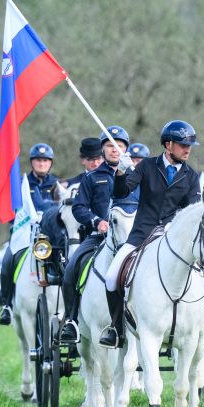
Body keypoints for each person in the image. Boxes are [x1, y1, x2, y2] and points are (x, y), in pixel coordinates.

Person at [98, 120, 204, 349]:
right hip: (141, 234)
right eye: (183, 145)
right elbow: (121, 192)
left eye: (189, 146)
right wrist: (120, 172)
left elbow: (192, 210)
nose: (188, 150)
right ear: (168, 145)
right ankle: (116, 328)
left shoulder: (191, 176)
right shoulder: (146, 166)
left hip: (172, 237)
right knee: (112, 277)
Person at [59, 127, 134, 344]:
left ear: (126, 149)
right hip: (98, 237)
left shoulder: (136, 176)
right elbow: (79, 207)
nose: (115, 149)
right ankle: (71, 320)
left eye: (119, 146)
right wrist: (96, 221)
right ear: (103, 150)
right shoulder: (92, 178)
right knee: (72, 267)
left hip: (131, 238)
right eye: (110, 145)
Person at [0, 143, 61, 326]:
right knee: (7, 261)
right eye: (38, 160)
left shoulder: (57, 185)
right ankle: (6, 305)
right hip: (24, 235)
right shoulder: (20, 184)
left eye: (45, 160)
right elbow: (12, 210)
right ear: (32, 162)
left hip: (50, 237)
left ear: (50, 163)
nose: (42, 164)